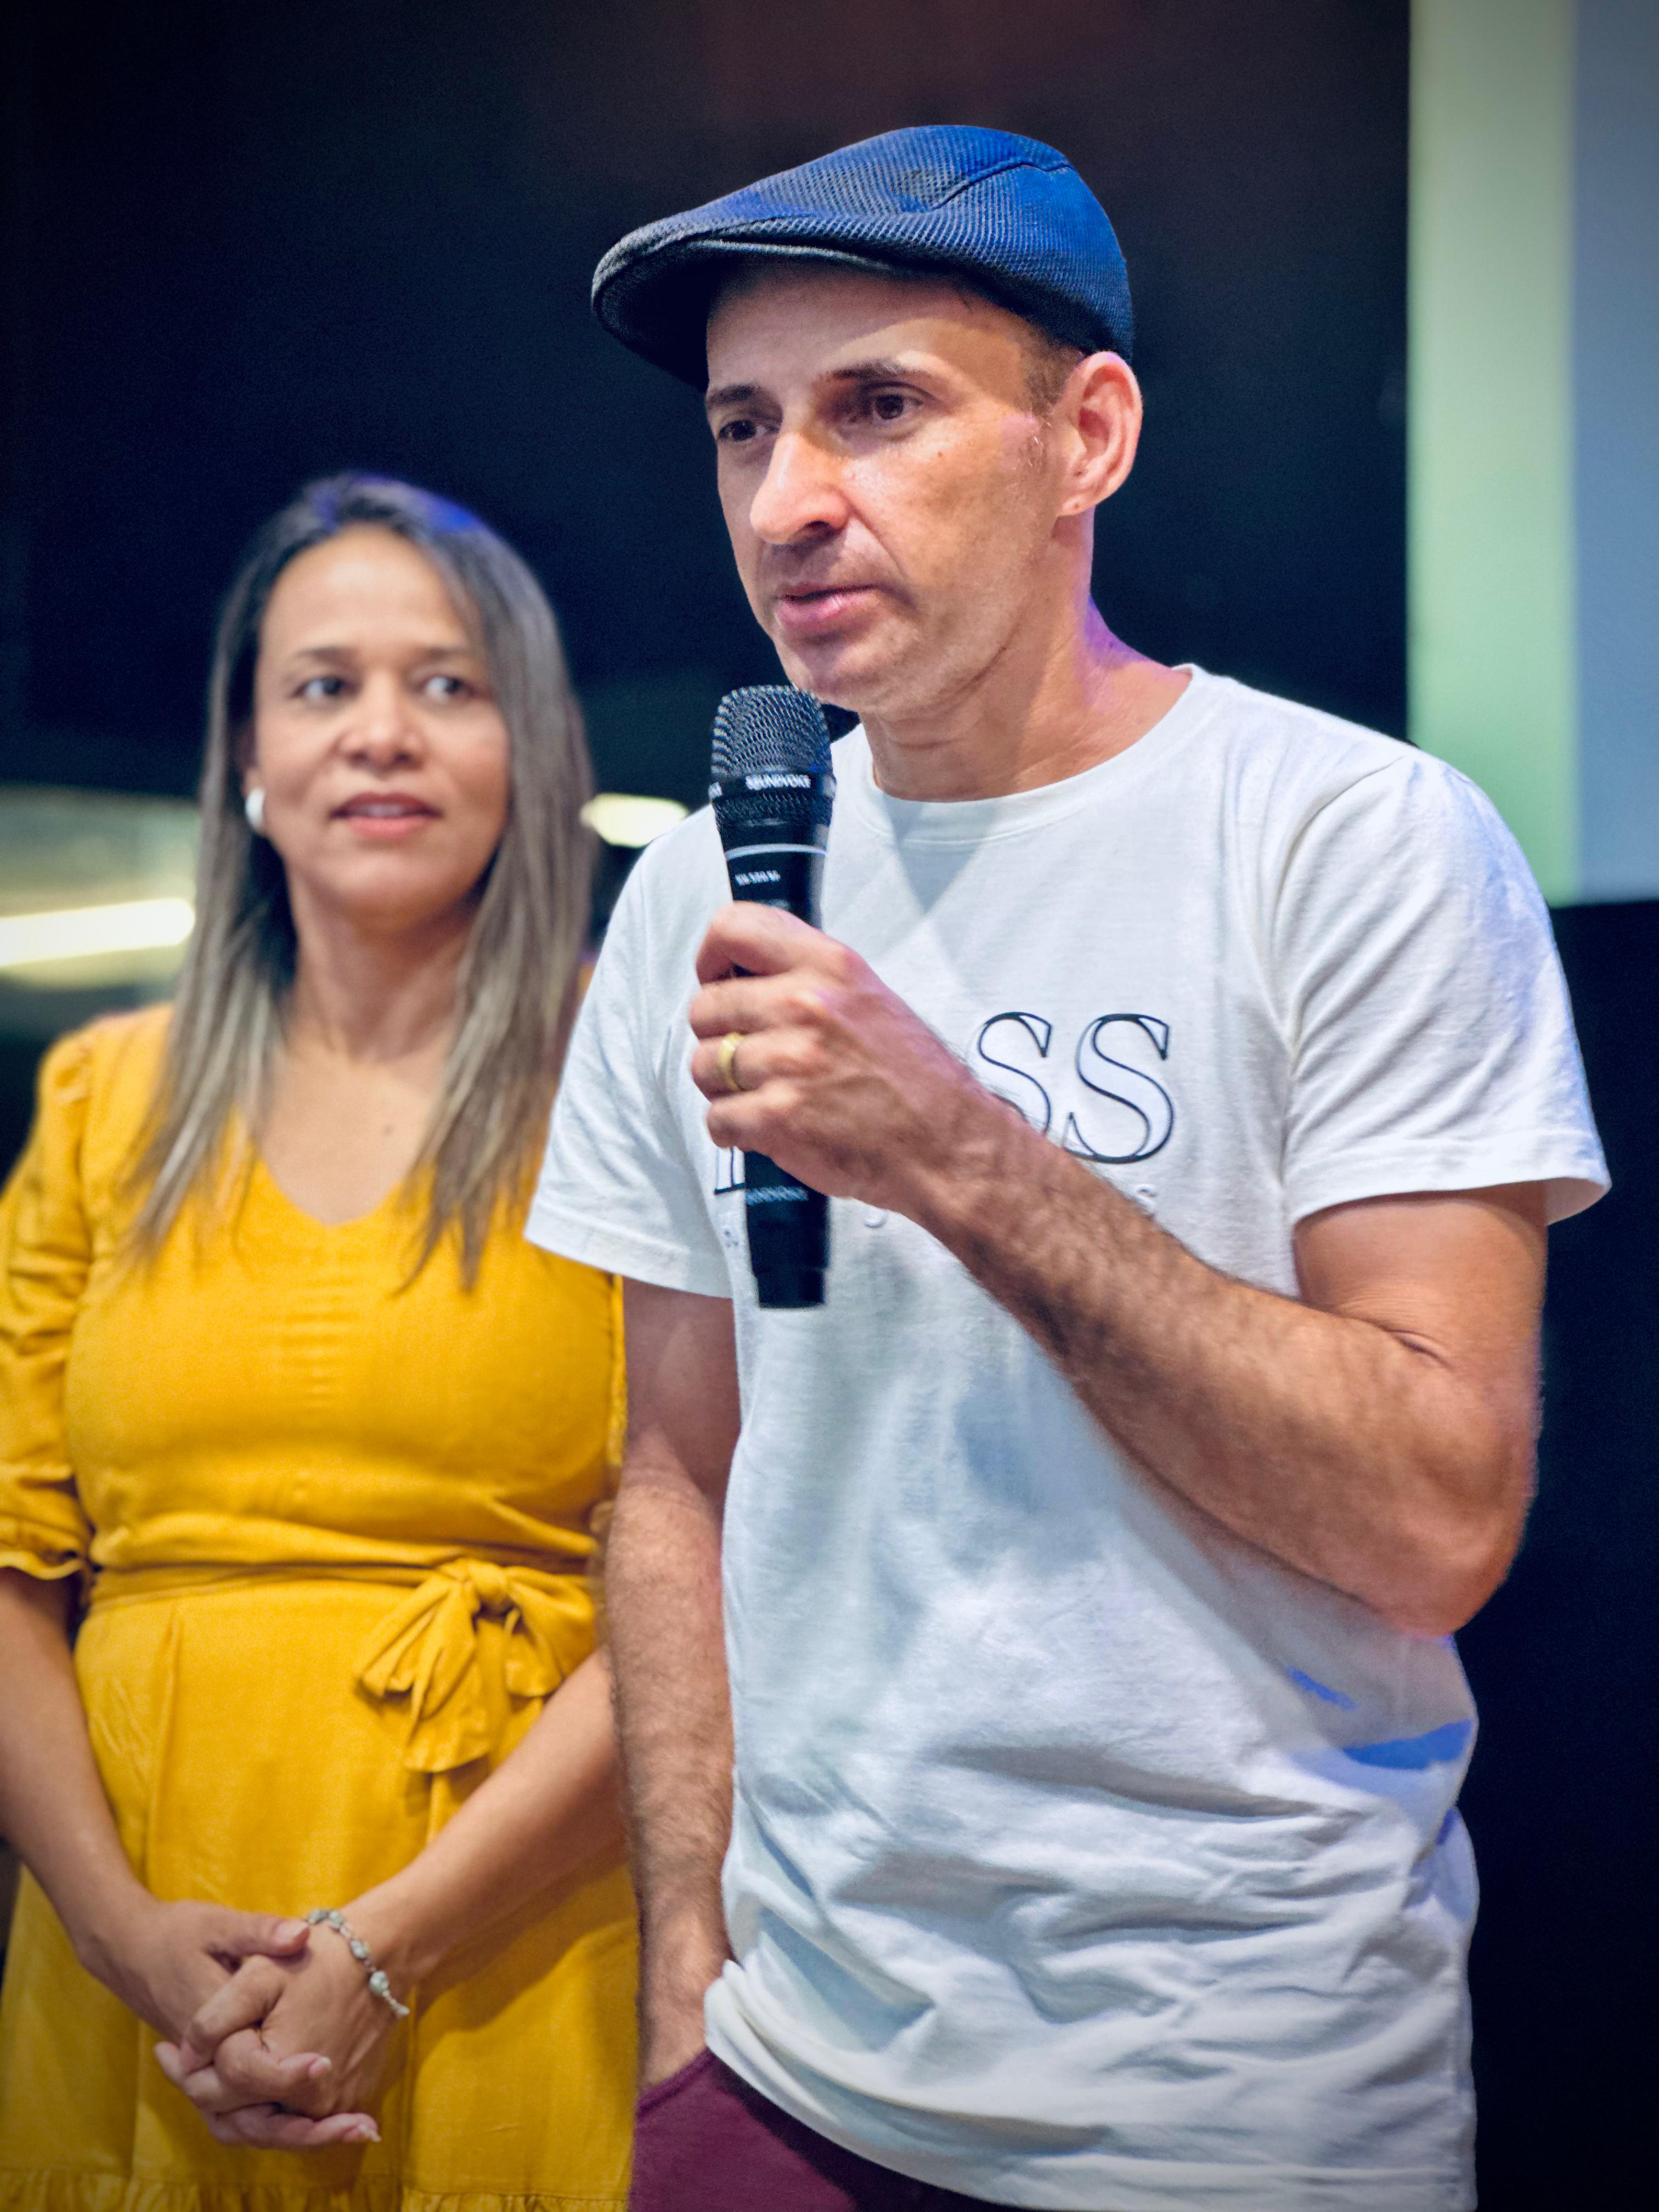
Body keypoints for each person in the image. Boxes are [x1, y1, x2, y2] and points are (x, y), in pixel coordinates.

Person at [527, 126, 1609, 2212]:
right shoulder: (699, 890)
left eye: (878, 407)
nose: (786, 498)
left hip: (1236, 2093)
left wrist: (962, 1155)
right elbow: (675, 1476)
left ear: (1085, 436)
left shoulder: (1350, 839)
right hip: (783, 2070)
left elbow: (1438, 1520)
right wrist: (684, 1978)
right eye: (745, 427)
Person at [0, 477, 636, 2205]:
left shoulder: (640, 1082)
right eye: (323, 685)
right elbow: (8, 1576)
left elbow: (709, 1572)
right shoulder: (103, 1101)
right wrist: (126, 1936)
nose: (381, 733)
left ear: (530, 746)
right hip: (137, 1977)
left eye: (448, 684)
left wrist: (386, 1949)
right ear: (250, 756)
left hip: (514, 1955)